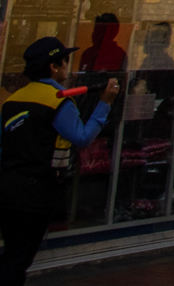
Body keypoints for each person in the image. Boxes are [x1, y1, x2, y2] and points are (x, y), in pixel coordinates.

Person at [1, 37, 118, 286]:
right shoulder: (58, 100)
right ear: (54, 66)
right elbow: (82, 138)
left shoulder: (12, 100)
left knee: (13, 252)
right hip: (36, 191)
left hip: (8, 187)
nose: (68, 65)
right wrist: (104, 104)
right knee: (17, 259)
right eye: (65, 61)